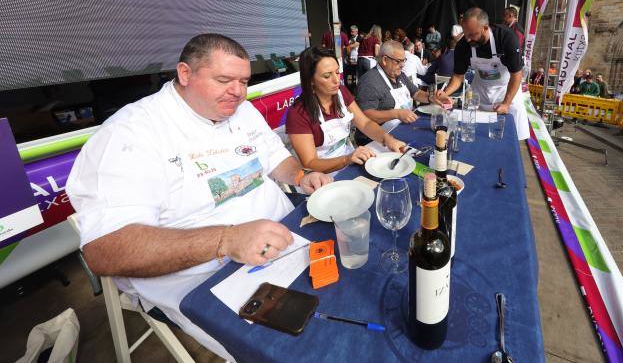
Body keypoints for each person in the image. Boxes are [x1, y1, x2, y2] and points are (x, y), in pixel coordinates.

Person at [65, 34, 333, 360]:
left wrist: (302, 176)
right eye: (224, 80)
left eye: (244, 81)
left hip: (285, 239)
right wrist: (225, 239)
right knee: (302, 349)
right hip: (202, 278)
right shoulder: (131, 134)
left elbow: (278, 160)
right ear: (185, 74)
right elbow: (105, 250)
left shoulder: (242, 110)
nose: (237, 91)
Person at [286, 47, 406, 175]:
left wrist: (387, 139)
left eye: (337, 72)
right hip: (323, 176)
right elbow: (310, 163)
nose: (336, 80)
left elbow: (365, 123)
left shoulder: (341, 92)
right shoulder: (297, 114)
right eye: (327, 76)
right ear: (310, 81)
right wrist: (346, 159)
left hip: (350, 161)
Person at [441, 7, 528, 140]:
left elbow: (517, 74)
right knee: (478, 134)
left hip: (507, 89)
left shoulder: (506, 38)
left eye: (472, 35)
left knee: (511, 136)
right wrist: (445, 93)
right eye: (466, 34)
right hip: (480, 92)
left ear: (485, 28)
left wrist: (506, 103)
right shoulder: (464, 45)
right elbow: (458, 76)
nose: (468, 39)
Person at [355, 41, 450, 144]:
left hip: (402, 128)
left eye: (404, 60)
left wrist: (432, 97)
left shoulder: (400, 75)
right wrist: (396, 113)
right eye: (398, 61)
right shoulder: (369, 81)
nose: (403, 65)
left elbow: (416, 93)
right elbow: (366, 115)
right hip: (376, 139)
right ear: (385, 60)